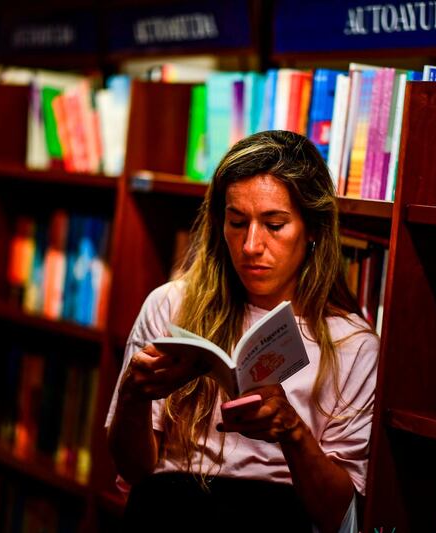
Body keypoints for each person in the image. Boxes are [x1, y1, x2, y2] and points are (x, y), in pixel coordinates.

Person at [104, 130, 379, 533]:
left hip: (278, 516)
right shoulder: (170, 305)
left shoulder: (351, 345)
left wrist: (292, 432)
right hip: (170, 508)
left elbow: (340, 518)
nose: (251, 245)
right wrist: (132, 394)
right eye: (237, 222)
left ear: (314, 228)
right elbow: (133, 467)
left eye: (274, 224)